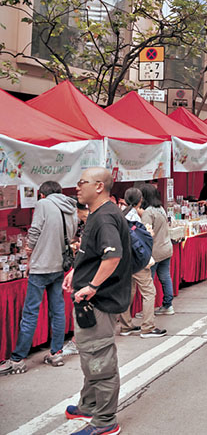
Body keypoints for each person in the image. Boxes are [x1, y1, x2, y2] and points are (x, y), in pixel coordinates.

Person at [62, 167, 133, 435]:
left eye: (82, 182)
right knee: (90, 353)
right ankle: (89, 404)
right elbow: (93, 254)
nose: (77, 187)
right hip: (92, 298)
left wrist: (92, 285)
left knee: (99, 358)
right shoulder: (99, 214)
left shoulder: (104, 218)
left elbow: (112, 256)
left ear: (100, 186)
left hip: (99, 301)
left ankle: (105, 421)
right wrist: (75, 273)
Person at [0, 181, 78, 375]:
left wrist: (29, 250)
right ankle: (56, 352)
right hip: (59, 265)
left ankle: (18, 359)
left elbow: (34, 231)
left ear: (42, 194)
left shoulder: (43, 204)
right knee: (58, 309)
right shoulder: (71, 206)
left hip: (41, 266)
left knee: (30, 312)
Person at [117, 188, 166, 339]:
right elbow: (140, 240)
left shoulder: (120, 214)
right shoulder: (137, 218)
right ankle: (148, 327)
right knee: (149, 292)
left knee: (128, 291)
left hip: (123, 260)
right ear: (140, 201)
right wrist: (148, 234)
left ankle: (126, 326)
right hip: (137, 260)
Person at [139, 183, 175, 317]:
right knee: (165, 277)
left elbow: (145, 233)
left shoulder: (148, 212)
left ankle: (147, 311)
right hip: (166, 247)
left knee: (148, 282)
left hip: (155, 251)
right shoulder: (160, 208)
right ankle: (168, 305)